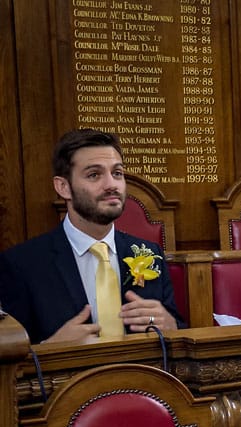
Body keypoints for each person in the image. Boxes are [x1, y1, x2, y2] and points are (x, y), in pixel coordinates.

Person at [0, 129, 184, 344]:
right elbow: (10, 358)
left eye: (117, 173)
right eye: (94, 175)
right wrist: (49, 350)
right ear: (64, 187)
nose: (111, 185)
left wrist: (171, 326)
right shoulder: (21, 264)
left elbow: (176, 332)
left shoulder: (150, 253)